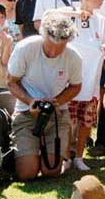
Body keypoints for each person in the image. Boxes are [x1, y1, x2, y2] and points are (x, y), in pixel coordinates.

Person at [7, 10, 82, 181]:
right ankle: (19, 153)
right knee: (27, 174)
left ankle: (51, 154)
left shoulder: (73, 57)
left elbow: (76, 86)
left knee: (51, 172)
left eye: (60, 47)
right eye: (50, 46)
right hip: (26, 112)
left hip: (56, 115)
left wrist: (57, 101)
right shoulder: (25, 48)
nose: (55, 52)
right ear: (43, 36)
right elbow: (12, 82)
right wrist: (31, 101)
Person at [61, 0, 105, 171]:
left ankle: (79, 157)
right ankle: (65, 156)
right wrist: (75, 13)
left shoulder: (101, 19)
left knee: (86, 121)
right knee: (68, 121)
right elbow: (49, 15)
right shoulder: (68, 14)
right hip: (70, 80)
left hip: (91, 81)